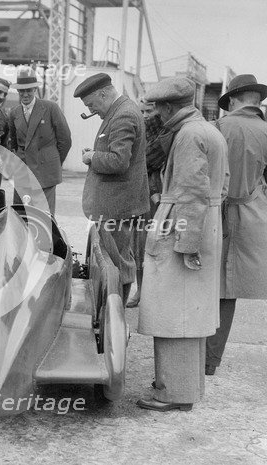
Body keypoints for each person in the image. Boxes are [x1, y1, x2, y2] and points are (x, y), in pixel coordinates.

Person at [137, 77, 229, 412]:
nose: (156, 113)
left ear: (168, 106)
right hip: (204, 224)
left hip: (184, 229)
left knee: (174, 315)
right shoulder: (207, 130)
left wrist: (187, 243)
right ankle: (185, 388)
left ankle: (172, 393)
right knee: (191, 314)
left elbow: (191, 192)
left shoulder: (189, 135)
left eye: (158, 107)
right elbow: (220, 184)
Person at [205, 74, 267, 375]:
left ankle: (194, 355)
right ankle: (211, 361)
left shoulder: (217, 127)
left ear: (231, 100)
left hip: (212, 211)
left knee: (203, 281)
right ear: (257, 100)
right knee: (229, 291)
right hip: (250, 215)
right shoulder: (266, 131)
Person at [74, 73, 149, 300]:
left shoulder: (123, 115)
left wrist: (93, 157)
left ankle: (115, 316)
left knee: (116, 263)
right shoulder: (121, 110)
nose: (92, 110)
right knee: (113, 260)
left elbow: (119, 161)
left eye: (92, 104)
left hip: (117, 206)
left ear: (103, 93)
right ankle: (112, 313)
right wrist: (96, 154)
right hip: (115, 204)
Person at [9, 69, 72, 215]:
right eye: (21, 91)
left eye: (29, 90)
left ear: (35, 89)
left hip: (45, 172)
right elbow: (14, 144)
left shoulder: (50, 108)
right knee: (21, 215)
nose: (25, 94)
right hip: (23, 171)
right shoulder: (14, 113)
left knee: (44, 216)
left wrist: (52, 160)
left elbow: (65, 140)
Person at [127, 99, 168, 307]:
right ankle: (142, 291)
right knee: (139, 246)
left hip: (160, 197)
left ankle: (153, 293)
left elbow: (144, 160)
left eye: (149, 111)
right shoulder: (141, 132)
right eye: (141, 111)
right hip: (141, 195)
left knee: (156, 246)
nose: (144, 115)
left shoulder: (166, 134)